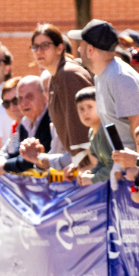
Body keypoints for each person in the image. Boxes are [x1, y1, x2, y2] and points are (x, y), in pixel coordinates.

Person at [69, 19, 139, 151]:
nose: (78, 49)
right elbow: (111, 125)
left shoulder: (119, 77)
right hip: (126, 161)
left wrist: (136, 164)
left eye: (81, 45)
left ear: (90, 50)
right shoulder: (103, 75)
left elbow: (138, 122)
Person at [31, 24, 94, 169]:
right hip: (80, 163)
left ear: (60, 48)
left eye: (45, 45)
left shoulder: (68, 75)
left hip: (92, 166)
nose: (39, 51)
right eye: (35, 47)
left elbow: (83, 126)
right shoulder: (56, 76)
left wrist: (84, 165)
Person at [0, 75, 56, 176]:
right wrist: (2, 158)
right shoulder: (24, 123)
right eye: (20, 98)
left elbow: (30, 160)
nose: (23, 103)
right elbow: (19, 153)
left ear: (44, 97)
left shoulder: (51, 121)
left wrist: (5, 166)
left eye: (29, 96)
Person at [69, 87, 113, 186]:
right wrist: (92, 172)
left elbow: (114, 164)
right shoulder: (91, 133)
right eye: (81, 109)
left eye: (90, 106)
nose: (85, 112)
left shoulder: (106, 130)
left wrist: (93, 178)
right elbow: (102, 163)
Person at [0, 77, 23, 179]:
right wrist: (1, 158)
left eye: (15, 100)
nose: (12, 106)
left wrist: (5, 164)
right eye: (6, 103)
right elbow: (6, 149)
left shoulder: (31, 123)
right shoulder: (16, 125)